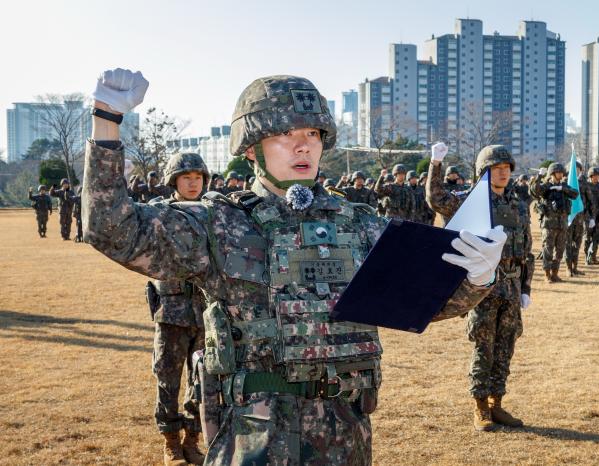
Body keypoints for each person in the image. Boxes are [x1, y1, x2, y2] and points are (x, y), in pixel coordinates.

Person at [84, 69, 505, 465]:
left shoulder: (358, 224)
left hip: (346, 437)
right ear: (251, 148)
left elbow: (423, 302)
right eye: (286, 134)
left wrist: (477, 276)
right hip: (256, 439)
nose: (303, 145)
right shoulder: (219, 222)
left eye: (312, 134)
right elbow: (114, 230)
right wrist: (107, 122)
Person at [427, 142, 533, 431]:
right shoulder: (470, 202)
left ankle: (497, 404)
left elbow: (527, 250)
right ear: (484, 171)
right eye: (497, 169)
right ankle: (480, 407)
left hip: (511, 288)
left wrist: (526, 288)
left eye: (506, 169)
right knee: (483, 347)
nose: (503, 174)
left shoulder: (518, 205)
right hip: (482, 287)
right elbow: (436, 200)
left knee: (505, 348)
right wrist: (435, 164)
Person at [146, 152, 210, 465]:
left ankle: (192, 439)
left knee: (203, 380)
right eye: (186, 177)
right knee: (167, 379)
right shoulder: (159, 213)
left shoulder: (215, 212)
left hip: (207, 313)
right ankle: (170, 441)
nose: (193, 182)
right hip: (171, 311)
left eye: (198, 177)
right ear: (174, 181)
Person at [531, 163, 579, 282]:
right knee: (548, 250)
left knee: (560, 250)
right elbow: (534, 191)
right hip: (549, 225)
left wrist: (562, 189)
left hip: (562, 224)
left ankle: (555, 273)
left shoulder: (563, 186)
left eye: (562, 173)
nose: (561, 175)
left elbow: (575, 194)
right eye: (558, 172)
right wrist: (539, 177)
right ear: (552, 173)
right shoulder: (546, 186)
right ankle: (547, 275)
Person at [584, 167, 599, 265]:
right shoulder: (586, 186)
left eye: (598, 176)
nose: (596, 178)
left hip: (598, 216)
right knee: (587, 238)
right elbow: (583, 202)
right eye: (594, 176)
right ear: (590, 176)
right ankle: (587, 258)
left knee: (596, 237)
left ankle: (593, 257)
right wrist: (588, 216)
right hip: (588, 217)